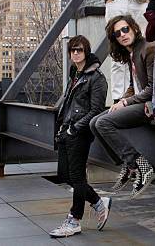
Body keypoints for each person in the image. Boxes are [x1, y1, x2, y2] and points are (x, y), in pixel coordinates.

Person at [90, 15, 155, 199]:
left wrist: (126, 103)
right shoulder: (133, 52)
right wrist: (121, 100)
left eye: (125, 29)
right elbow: (134, 86)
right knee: (94, 122)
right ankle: (129, 165)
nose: (122, 35)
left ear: (134, 29)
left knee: (103, 123)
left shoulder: (150, 48)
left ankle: (142, 165)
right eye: (117, 33)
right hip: (144, 101)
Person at [50, 35, 112, 237]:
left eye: (79, 50)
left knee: (77, 177)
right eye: (72, 50)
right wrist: (63, 128)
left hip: (80, 133)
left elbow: (96, 110)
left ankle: (74, 220)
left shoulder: (97, 78)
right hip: (67, 131)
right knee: (66, 176)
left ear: (86, 51)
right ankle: (97, 201)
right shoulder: (74, 74)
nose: (76, 53)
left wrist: (75, 128)